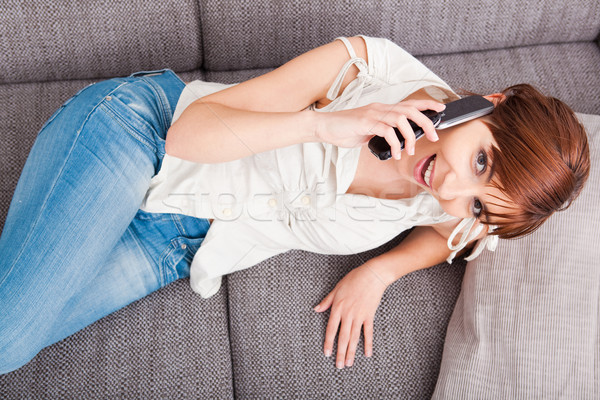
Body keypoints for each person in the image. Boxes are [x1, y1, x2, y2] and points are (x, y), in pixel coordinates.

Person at [0, 35, 589, 374]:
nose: (452, 189)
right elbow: (187, 133)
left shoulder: (455, 204)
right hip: (138, 135)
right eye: (481, 161)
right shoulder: (369, 66)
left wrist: (380, 271)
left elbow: (451, 235)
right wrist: (327, 127)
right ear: (493, 103)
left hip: (179, 242)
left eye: (480, 207)